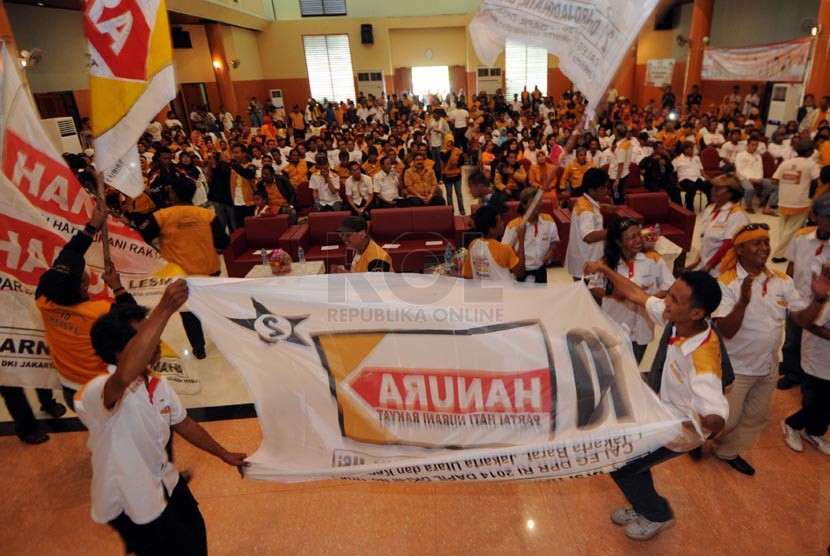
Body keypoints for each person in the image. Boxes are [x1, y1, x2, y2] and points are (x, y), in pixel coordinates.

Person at [79, 281, 249, 555]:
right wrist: (166, 308)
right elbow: (123, 377)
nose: (156, 339)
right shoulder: (98, 391)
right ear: (120, 352)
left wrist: (224, 454)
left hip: (165, 481)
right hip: (130, 499)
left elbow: (184, 424)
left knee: (195, 535)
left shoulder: (157, 383)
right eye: (145, 334)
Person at [582, 263, 728, 540]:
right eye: (669, 294)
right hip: (661, 414)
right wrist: (603, 268)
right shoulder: (683, 320)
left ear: (697, 312)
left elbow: (717, 416)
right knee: (633, 460)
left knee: (623, 467)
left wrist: (696, 426)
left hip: (681, 431)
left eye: (673, 299)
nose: (665, 302)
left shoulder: (702, 360)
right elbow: (636, 294)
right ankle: (644, 505)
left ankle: (657, 515)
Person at [708, 223, 830, 475]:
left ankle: (726, 451)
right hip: (737, 368)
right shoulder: (726, 282)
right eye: (757, 243)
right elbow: (727, 331)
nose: (764, 248)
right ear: (740, 249)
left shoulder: (781, 280)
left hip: (768, 367)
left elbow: (802, 321)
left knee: (757, 417)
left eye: (766, 242)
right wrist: (742, 302)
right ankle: (696, 438)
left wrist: (818, 299)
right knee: (726, 420)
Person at [36, 201, 137, 409]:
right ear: (84, 286)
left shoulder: (43, 301)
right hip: (100, 390)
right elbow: (136, 319)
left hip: (70, 389)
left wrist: (92, 226)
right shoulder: (100, 313)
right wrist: (118, 287)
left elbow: (69, 254)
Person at [136, 175, 229, 360]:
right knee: (211, 308)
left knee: (188, 313)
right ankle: (222, 341)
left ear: (173, 193)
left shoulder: (160, 216)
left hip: (179, 276)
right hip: (208, 272)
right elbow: (223, 241)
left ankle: (199, 348)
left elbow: (139, 239)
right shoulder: (207, 215)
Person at [588, 218, 674, 363]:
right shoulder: (606, 262)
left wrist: (647, 299)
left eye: (639, 235)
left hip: (642, 326)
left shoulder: (653, 259)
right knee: (614, 366)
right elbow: (594, 287)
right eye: (631, 237)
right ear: (618, 242)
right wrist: (613, 294)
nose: (638, 240)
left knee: (634, 365)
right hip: (614, 323)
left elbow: (669, 285)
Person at [778, 195, 830, 389]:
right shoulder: (802, 237)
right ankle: (792, 371)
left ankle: (810, 377)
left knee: (816, 342)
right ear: (815, 216)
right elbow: (792, 265)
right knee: (792, 337)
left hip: (823, 306)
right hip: (798, 299)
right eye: (826, 217)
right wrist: (785, 292)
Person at [781, 261, 830, 456]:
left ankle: (814, 432)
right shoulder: (825, 302)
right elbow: (808, 324)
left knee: (826, 405)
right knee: (820, 402)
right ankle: (792, 425)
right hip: (819, 362)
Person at [684, 175, 749, 277]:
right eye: (713, 187)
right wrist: (697, 262)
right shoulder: (710, 209)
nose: (713, 190)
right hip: (707, 266)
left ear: (730, 193)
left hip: (723, 270)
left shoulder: (736, 214)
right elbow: (706, 239)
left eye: (718, 188)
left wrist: (708, 266)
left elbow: (728, 245)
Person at [771, 140, 821, 262]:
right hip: (800, 202)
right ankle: (778, 255)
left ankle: (783, 251)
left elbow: (774, 180)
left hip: (783, 200)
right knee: (791, 230)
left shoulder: (785, 163)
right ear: (810, 152)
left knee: (783, 229)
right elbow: (818, 180)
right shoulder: (810, 165)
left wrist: (787, 183)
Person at [501, 188, 559, 283]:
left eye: (540, 201)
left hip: (541, 270)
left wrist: (551, 251)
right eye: (534, 202)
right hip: (521, 272)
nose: (539, 205)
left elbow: (554, 240)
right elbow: (505, 251)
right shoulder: (513, 226)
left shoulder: (549, 221)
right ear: (524, 205)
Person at [564, 168, 610, 280]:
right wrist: (613, 231)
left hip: (586, 258)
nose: (606, 191)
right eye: (602, 188)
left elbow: (593, 210)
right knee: (591, 296)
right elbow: (588, 237)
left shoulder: (584, 200)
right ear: (591, 190)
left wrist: (603, 207)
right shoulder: (586, 210)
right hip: (586, 263)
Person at [462, 205, 525, 281]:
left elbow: (467, 275)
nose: (503, 223)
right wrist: (521, 240)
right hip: (504, 292)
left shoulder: (473, 245)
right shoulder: (504, 249)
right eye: (500, 221)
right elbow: (520, 272)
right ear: (492, 230)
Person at [735, 138, 778, 215]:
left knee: (775, 187)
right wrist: (750, 178)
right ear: (747, 145)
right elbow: (740, 170)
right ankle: (748, 205)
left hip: (757, 178)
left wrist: (759, 178)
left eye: (756, 145)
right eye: (752, 145)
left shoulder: (758, 156)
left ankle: (767, 208)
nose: (755, 147)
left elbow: (760, 169)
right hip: (744, 177)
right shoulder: (740, 155)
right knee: (750, 188)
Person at [672, 141, 711, 211]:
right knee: (691, 188)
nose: (693, 150)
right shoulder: (677, 160)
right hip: (685, 179)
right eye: (691, 149)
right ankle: (689, 207)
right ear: (685, 150)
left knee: (709, 185)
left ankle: (709, 204)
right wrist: (675, 182)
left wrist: (706, 177)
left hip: (698, 178)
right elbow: (671, 172)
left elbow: (701, 170)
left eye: (693, 148)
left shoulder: (696, 158)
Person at [440, 135, 464, 215]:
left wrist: (457, 163)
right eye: (448, 141)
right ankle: (451, 211)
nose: (450, 143)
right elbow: (444, 159)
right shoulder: (442, 151)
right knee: (449, 195)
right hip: (447, 176)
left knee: (459, 194)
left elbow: (462, 161)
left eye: (451, 141)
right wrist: (449, 151)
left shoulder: (458, 150)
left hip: (457, 175)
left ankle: (462, 209)